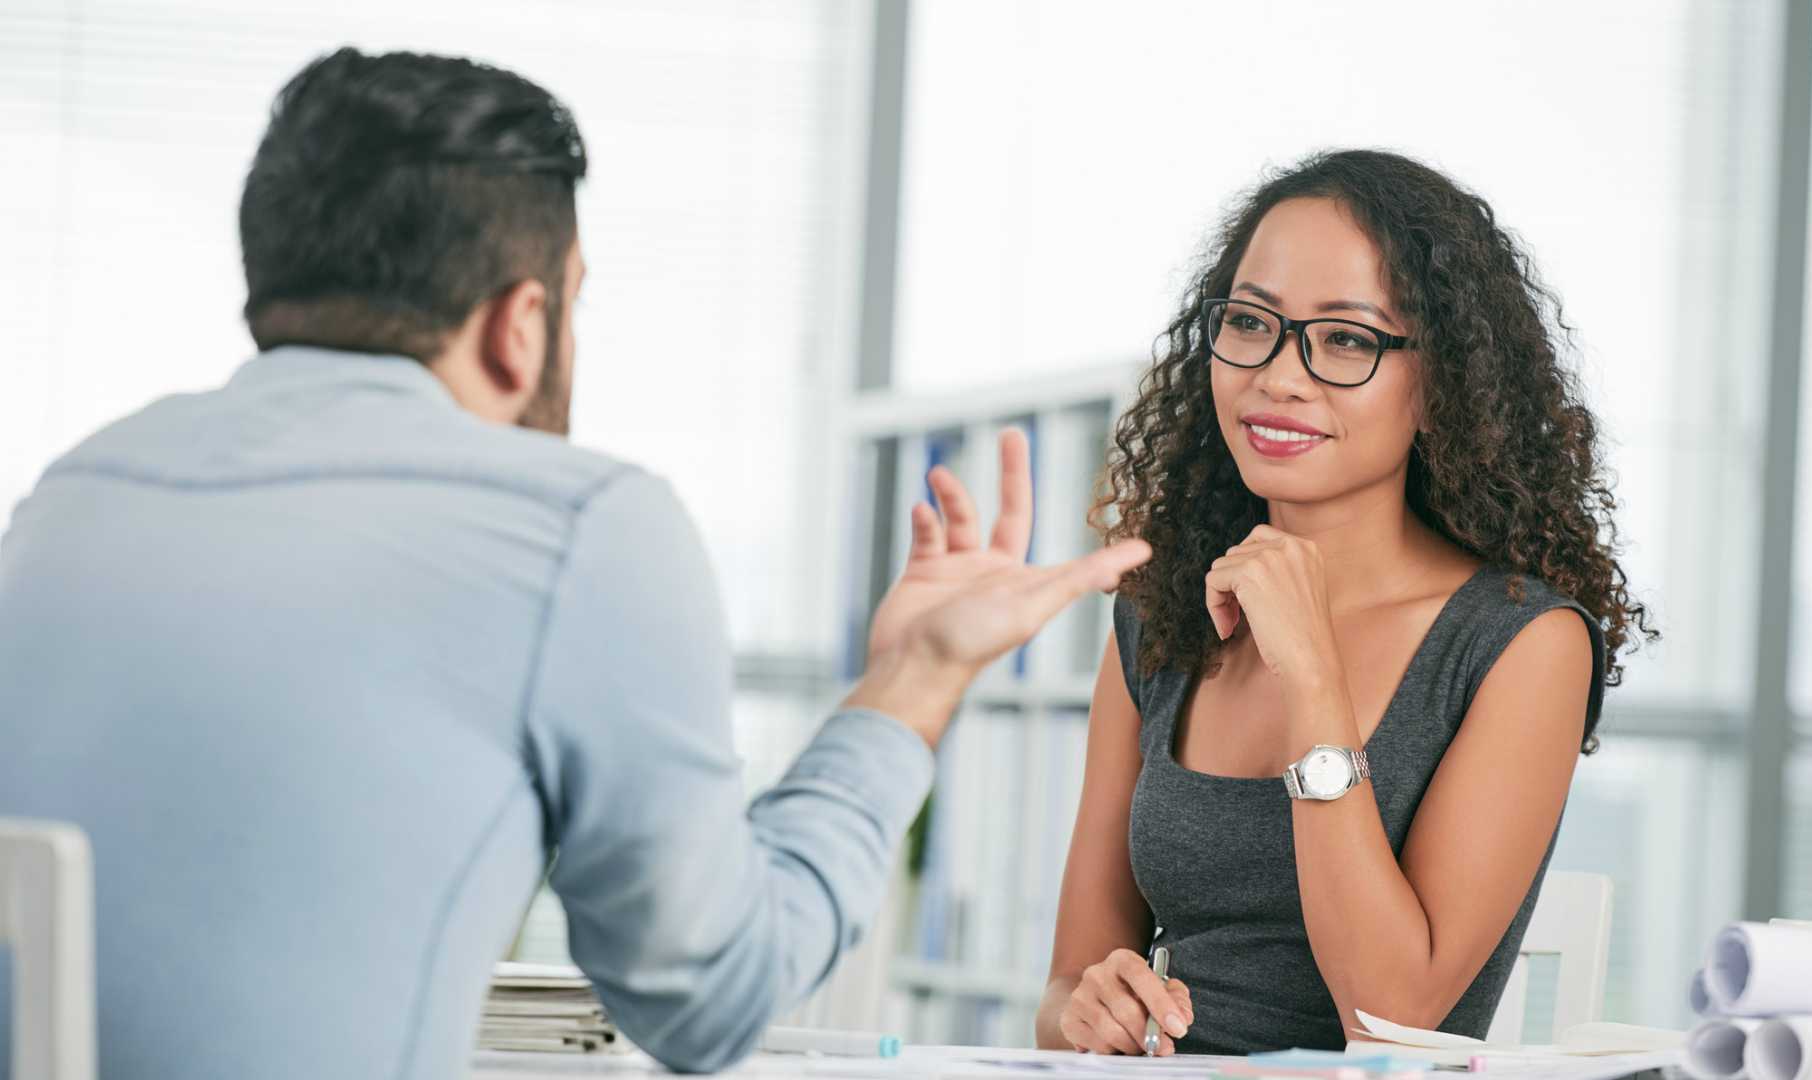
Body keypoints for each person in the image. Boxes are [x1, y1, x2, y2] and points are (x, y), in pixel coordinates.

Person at [0, 48, 1147, 1080]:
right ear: (522, 322)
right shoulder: (577, 522)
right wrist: (920, 677)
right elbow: (712, 1004)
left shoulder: (72, 494)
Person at [1034, 150, 1656, 1056]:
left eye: (1347, 339)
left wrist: (1312, 674)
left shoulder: (1520, 643)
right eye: (1251, 323)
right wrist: (1087, 1010)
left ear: (1442, 386)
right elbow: (1061, 996)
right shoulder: (1158, 611)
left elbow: (1391, 1019)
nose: (1279, 377)